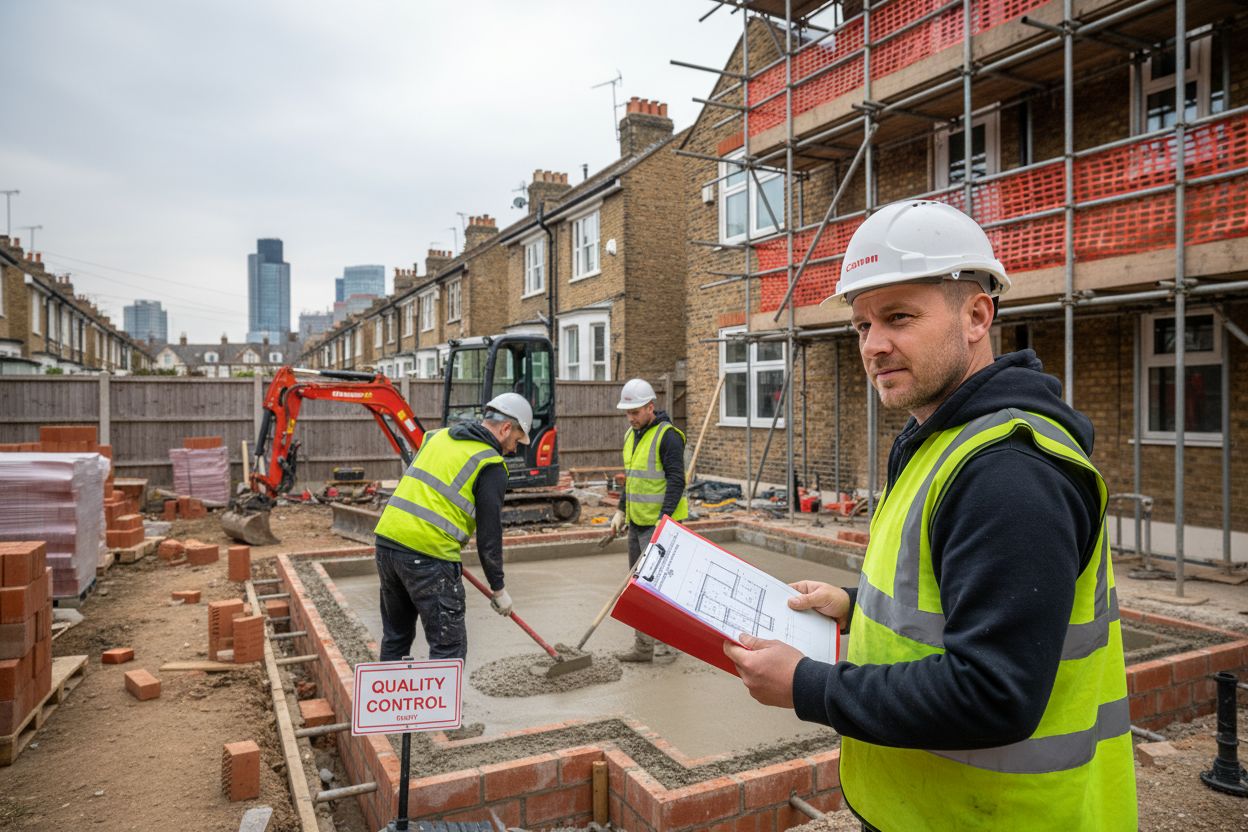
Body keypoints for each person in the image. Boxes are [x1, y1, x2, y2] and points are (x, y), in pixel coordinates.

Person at [723, 201, 1136, 830]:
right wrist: (853, 605)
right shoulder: (942, 440)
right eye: (862, 325)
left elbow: (993, 692)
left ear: (976, 316)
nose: (874, 345)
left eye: (899, 317)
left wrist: (808, 685)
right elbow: (957, 599)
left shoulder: (1008, 472)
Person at [372, 393, 530, 735]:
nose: (514, 449)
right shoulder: (490, 463)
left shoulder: (438, 436)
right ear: (506, 428)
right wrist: (499, 589)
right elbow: (490, 536)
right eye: (517, 439)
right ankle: (445, 726)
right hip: (428, 554)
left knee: (396, 635)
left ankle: (388, 723)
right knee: (448, 643)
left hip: (387, 542)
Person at [610, 377, 689, 663]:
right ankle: (643, 648)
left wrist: (663, 519)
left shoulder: (668, 436)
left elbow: (677, 480)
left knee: (662, 589)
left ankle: (668, 646)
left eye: (635, 412)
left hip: (662, 527)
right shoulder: (631, 436)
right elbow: (632, 479)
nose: (631, 418)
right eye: (627, 413)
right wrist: (621, 510)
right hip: (637, 523)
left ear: (650, 407)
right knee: (638, 587)